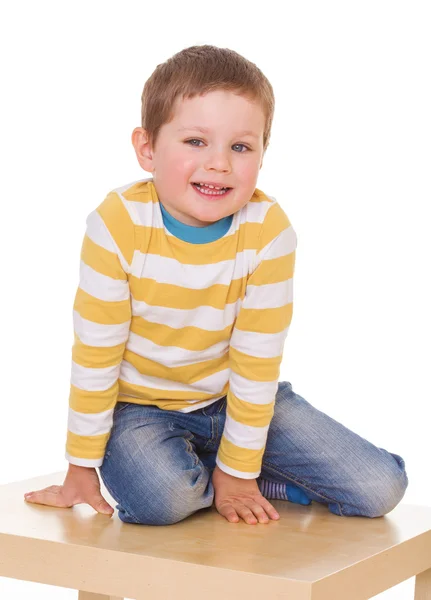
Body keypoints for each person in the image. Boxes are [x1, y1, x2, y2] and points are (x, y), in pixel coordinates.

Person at [24, 44, 408, 526]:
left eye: (240, 147)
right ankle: (209, 471)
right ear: (147, 149)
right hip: (141, 407)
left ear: (263, 155)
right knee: (165, 501)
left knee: (380, 488)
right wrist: (80, 466)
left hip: (235, 397)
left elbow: (256, 357)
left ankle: (242, 472)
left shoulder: (268, 231)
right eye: (195, 142)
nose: (220, 164)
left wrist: (240, 470)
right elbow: (96, 351)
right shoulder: (117, 224)